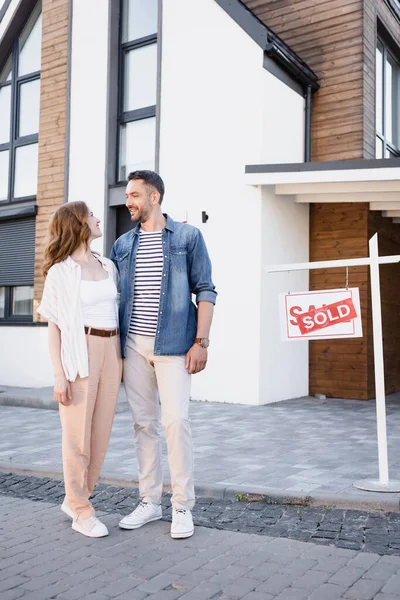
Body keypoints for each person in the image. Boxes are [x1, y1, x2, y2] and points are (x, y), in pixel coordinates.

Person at [110, 170, 217, 539]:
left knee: (175, 422)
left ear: (154, 197)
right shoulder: (122, 245)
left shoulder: (188, 238)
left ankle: (182, 506)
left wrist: (201, 342)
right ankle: (150, 502)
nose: (129, 201)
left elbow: (206, 290)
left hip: (174, 346)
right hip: (133, 347)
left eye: (135, 195)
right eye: (127, 195)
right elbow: (115, 299)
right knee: (143, 425)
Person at [37, 201, 122, 538]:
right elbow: (54, 326)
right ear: (79, 224)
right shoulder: (61, 272)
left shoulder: (108, 265)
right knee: (77, 438)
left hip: (111, 350)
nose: (99, 219)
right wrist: (59, 374)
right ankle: (82, 510)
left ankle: (76, 498)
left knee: (100, 436)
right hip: (79, 352)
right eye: (92, 216)